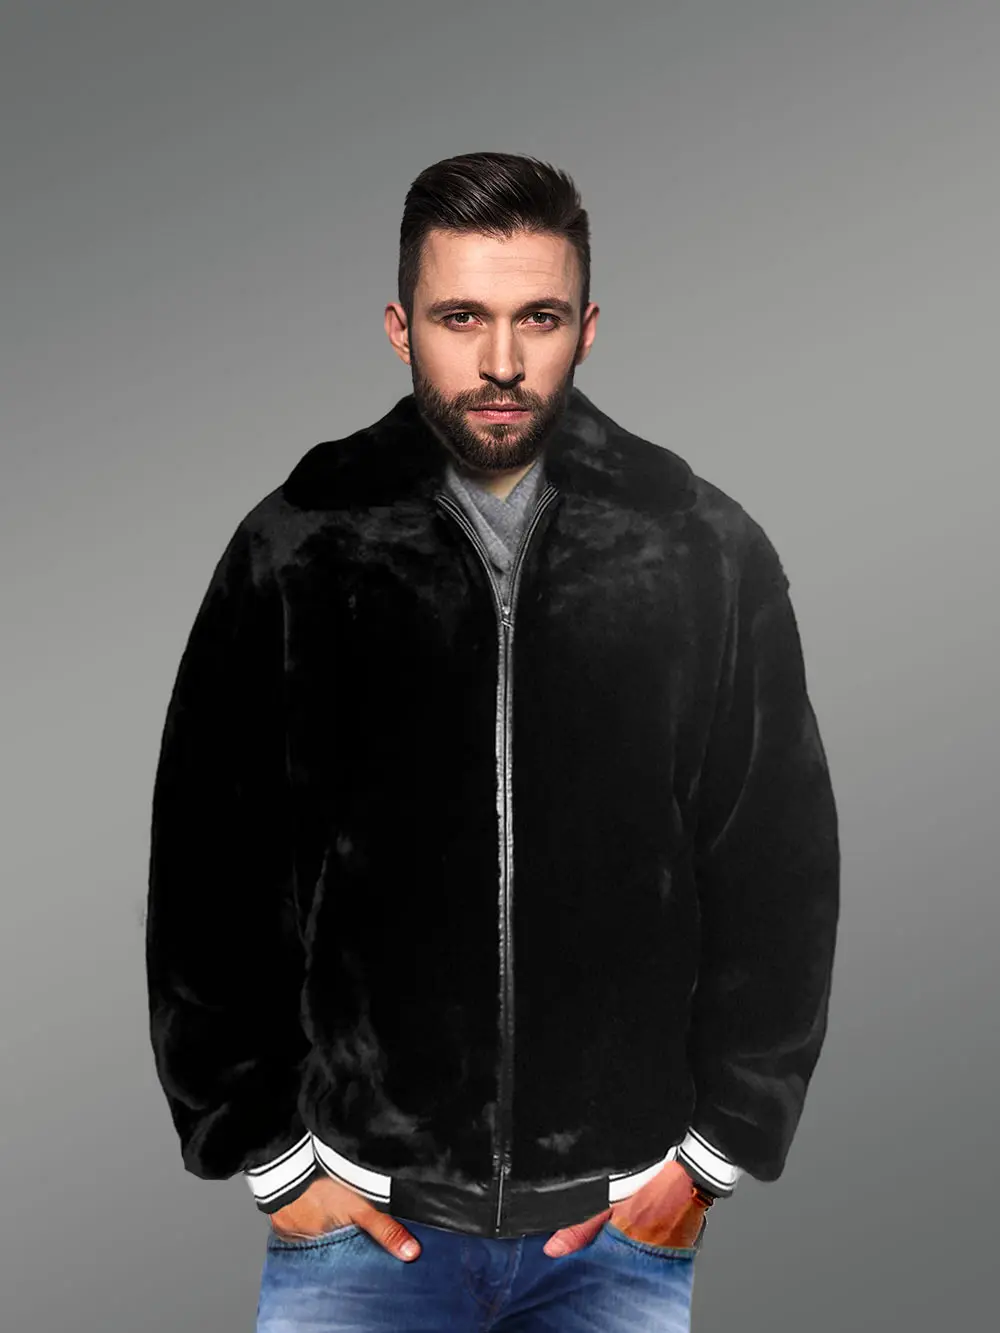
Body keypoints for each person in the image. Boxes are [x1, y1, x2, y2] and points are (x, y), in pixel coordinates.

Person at [145, 151, 840, 1332]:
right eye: (460, 317)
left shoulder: (702, 548)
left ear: (588, 329)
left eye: (540, 318)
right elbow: (209, 865)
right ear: (398, 327)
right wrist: (270, 1157)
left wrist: (712, 1158)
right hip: (359, 1224)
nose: (502, 361)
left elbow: (778, 866)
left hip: (616, 1230)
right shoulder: (298, 545)